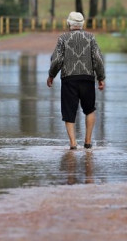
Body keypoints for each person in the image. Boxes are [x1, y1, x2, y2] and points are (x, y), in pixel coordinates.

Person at [47, 12, 105, 150]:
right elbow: (97, 58)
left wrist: (51, 75)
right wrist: (101, 77)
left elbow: (57, 60)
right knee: (90, 110)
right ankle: (88, 142)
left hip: (69, 79)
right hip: (87, 78)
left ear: (69, 23)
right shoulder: (91, 38)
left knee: (69, 112)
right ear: (82, 24)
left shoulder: (63, 38)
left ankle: (73, 144)